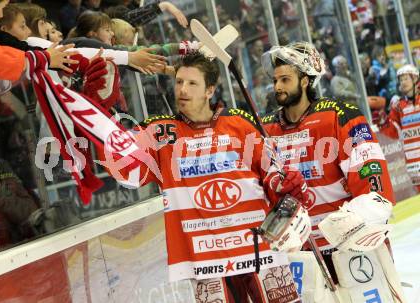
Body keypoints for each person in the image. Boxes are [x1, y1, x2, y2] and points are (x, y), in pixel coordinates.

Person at [98, 51, 310, 302]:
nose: (182, 90)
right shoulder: (158, 131)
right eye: (179, 82)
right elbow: (127, 172)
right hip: (207, 261)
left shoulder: (240, 123)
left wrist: (289, 185)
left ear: (210, 90)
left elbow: (273, 175)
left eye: (192, 83)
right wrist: (100, 118)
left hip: (258, 251)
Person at [260, 42, 395, 284]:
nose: (277, 86)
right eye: (275, 80)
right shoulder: (266, 128)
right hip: (303, 256)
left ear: (305, 80)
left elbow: (373, 186)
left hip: (350, 250)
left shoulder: (340, 115)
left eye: (285, 79)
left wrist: (351, 231)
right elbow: (263, 188)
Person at [386, 64, 420, 191]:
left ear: (415, 79)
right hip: (412, 158)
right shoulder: (398, 106)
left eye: (406, 78)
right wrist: (384, 122)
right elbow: (393, 133)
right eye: (401, 80)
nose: (403, 82)